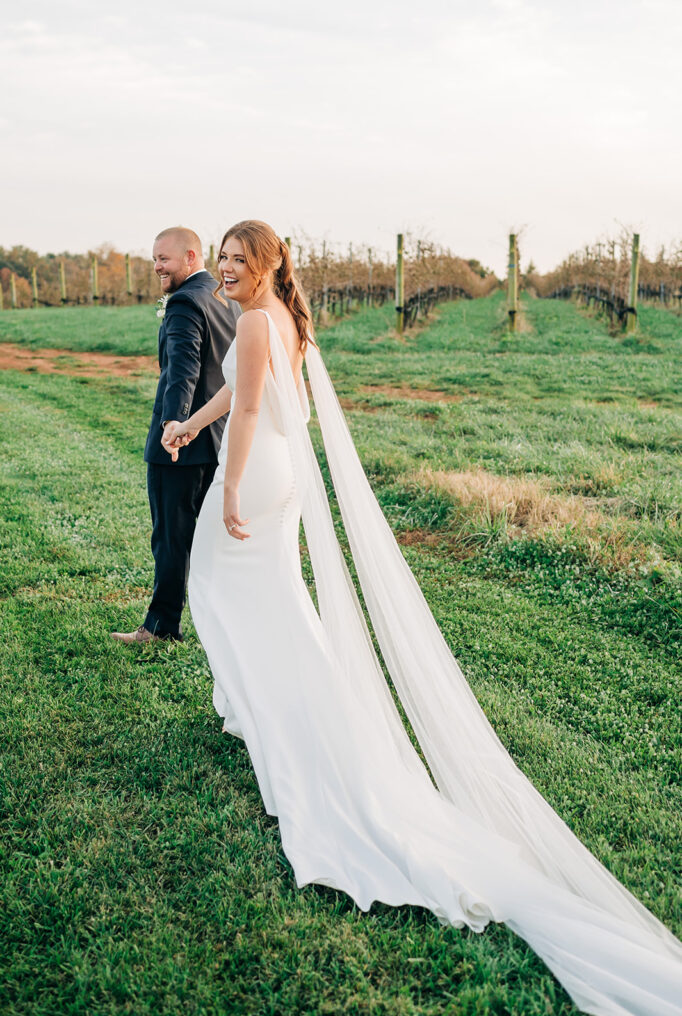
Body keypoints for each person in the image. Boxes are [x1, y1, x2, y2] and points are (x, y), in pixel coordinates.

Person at [161, 220, 682, 1016]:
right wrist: (195, 421)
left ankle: (278, 706)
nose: (226, 271)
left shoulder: (261, 319)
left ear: (265, 267)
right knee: (259, 597)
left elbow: (253, 405)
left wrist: (226, 490)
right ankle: (262, 703)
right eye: (222, 260)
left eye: (238, 260)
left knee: (228, 589)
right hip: (277, 476)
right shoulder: (281, 319)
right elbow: (240, 386)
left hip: (256, 478)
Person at [112, 226, 239, 644]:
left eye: (163, 259)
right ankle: (218, 619)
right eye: (153, 259)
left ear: (190, 256)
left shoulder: (185, 301)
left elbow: (182, 368)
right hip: (216, 437)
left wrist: (173, 423)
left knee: (171, 537)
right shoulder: (224, 298)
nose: (156, 267)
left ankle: (161, 626)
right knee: (205, 539)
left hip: (181, 443)